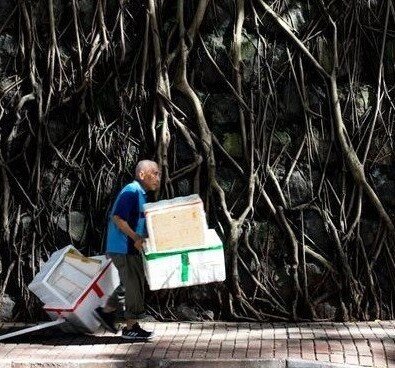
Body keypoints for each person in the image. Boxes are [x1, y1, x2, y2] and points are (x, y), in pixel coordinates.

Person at [93, 160, 161, 340]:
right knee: (133, 285)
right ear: (141, 175)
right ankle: (131, 327)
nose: (158, 178)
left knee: (129, 283)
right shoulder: (131, 192)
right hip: (123, 247)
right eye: (154, 173)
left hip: (125, 247)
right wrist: (135, 238)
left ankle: (107, 312)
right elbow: (118, 218)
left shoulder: (139, 193)